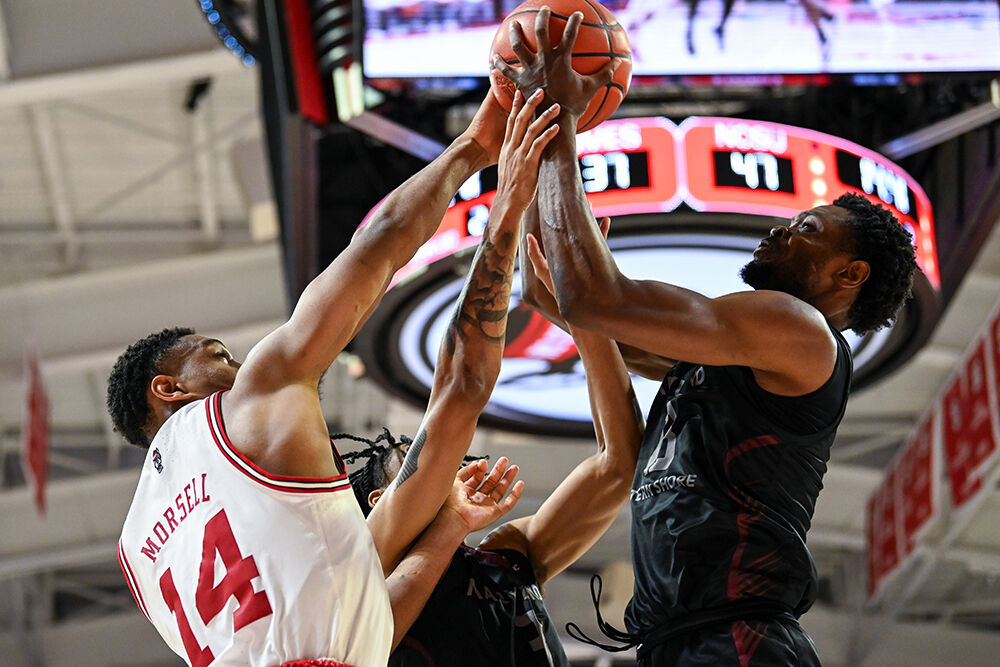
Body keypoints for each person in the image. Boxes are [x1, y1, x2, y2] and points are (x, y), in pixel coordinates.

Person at [495, 8, 918, 665]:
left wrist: (562, 122)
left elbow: (593, 297)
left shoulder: (800, 330)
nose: (782, 230)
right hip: (680, 642)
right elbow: (587, 316)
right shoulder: (728, 364)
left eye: (808, 228)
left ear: (849, 275)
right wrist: (532, 205)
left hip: (741, 641)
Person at [110, 88, 559, 667]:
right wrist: (475, 153)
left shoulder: (136, 555)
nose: (241, 366)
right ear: (168, 388)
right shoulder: (252, 402)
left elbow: (361, 612)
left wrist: (448, 530)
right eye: (219, 355)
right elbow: (378, 246)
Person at [342, 216, 643, 666]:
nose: (447, 467)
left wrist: (585, 316)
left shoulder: (506, 558)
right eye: (417, 463)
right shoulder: (360, 577)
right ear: (381, 499)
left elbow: (619, 465)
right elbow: (458, 394)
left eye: (451, 462)